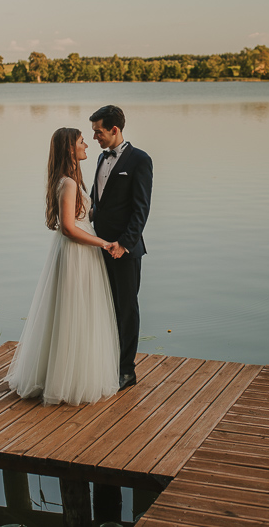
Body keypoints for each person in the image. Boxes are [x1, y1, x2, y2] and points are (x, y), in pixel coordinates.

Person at [5, 128, 120, 406]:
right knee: (74, 312)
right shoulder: (68, 183)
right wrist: (103, 243)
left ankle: (68, 373)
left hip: (78, 252)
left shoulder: (69, 180)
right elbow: (69, 228)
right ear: (70, 149)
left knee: (73, 312)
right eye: (82, 142)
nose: (86, 147)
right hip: (76, 253)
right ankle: (68, 380)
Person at [89, 105, 153, 391]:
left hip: (125, 251)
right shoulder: (101, 158)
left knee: (126, 310)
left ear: (114, 129)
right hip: (98, 247)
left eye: (98, 132)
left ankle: (126, 371)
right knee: (104, 308)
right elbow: (97, 203)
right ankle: (105, 363)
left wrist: (124, 245)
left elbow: (141, 209)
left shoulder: (140, 160)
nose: (95, 138)